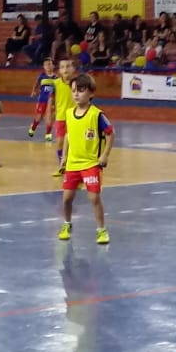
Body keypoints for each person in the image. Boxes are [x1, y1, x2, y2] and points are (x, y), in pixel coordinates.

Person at [56, 73, 115, 245]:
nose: (76, 94)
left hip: (90, 164)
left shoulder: (96, 115)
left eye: (80, 90)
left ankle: (101, 230)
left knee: (94, 198)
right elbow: (68, 135)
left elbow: (111, 134)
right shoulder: (68, 113)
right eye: (73, 90)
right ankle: (67, 224)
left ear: (91, 93)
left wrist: (104, 155)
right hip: (73, 164)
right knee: (66, 198)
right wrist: (64, 156)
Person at [51, 57, 78, 176]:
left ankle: (74, 167)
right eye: (62, 67)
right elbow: (51, 101)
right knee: (60, 141)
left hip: (75, 118)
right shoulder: (55, 84)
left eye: (68, 66)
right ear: (59, 71)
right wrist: (49, 115)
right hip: (61, 117)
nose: (65, 69)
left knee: (73, 143)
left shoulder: (78, 83)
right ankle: (62, 165)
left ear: (73, 69)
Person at [28, 57, 57, 141]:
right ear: (44, 67)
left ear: (53, 66)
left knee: (50, 118)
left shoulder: (56, 78)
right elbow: (36, 84)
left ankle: (48, 134)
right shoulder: (42, 76)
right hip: (42, 101)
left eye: (49, 64)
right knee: (39, 117)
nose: (48, 66)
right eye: (46, 65)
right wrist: (34, 91)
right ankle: (32, 128)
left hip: (51, 101)